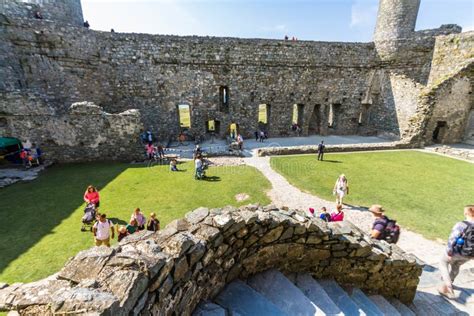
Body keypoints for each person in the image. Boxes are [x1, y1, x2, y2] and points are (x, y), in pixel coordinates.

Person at [438, 205, 474, 299]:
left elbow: (452, 238)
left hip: (457, 251)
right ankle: (449, 282)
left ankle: (448, 288)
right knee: (456, 265)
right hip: (469, 254)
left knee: (443, 263)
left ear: (466, 213)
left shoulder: (461, 224)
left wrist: (449, 251)